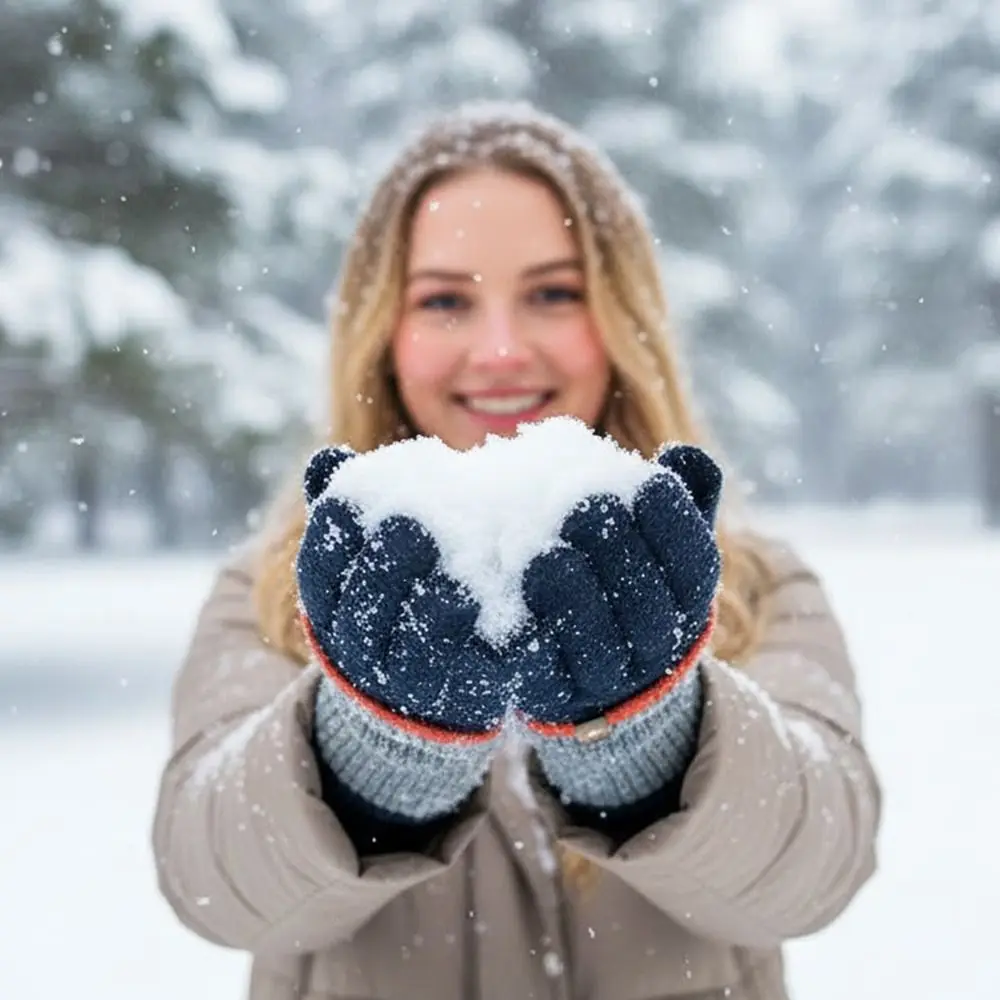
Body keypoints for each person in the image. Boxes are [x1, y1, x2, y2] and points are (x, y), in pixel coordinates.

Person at [152, 102, 881, 1000]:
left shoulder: (756, 583)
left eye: (553, 293)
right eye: (446, 300)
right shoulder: (272, 591)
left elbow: (819, 869)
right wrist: (377, 755)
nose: (500, 350)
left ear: (622, 317)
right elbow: (215, 886)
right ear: (383, 331)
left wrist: (645, 746)